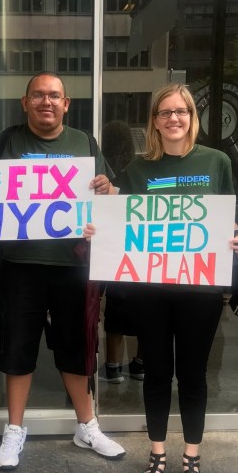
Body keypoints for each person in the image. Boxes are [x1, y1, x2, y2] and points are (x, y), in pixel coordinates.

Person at [0, 71, 127, 471]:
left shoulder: (84, 144)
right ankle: (14, 430)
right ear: (25, 103)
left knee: (76, 350)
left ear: (66, 103)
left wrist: (109, 191)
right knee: (17, 350)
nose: (46, 102)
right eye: (38, 95)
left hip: (72, 267)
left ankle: (86, 425)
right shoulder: (7, 143)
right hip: (19, 267)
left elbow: (112, 200)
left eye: (54, 96)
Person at [110, 83, 238, 473]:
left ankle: (191, 456)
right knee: (156, 373)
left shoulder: (217, 162)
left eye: (181, 111)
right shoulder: (137, 171)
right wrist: (99, 231)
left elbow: (228, 219)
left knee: (193, 375)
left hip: (200, 289)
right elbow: (124, 225)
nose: (174, 118)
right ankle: (157, 451)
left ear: (192, 116)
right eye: (165, 112)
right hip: (151, 288)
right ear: (154, 121)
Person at [100, 119, 144, 384]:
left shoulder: (102, 174)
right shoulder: (137, 171)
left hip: (115, 252)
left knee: (114, 312)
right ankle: (140, 364)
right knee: (144, 311)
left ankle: (113, 367)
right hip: (141, 251)